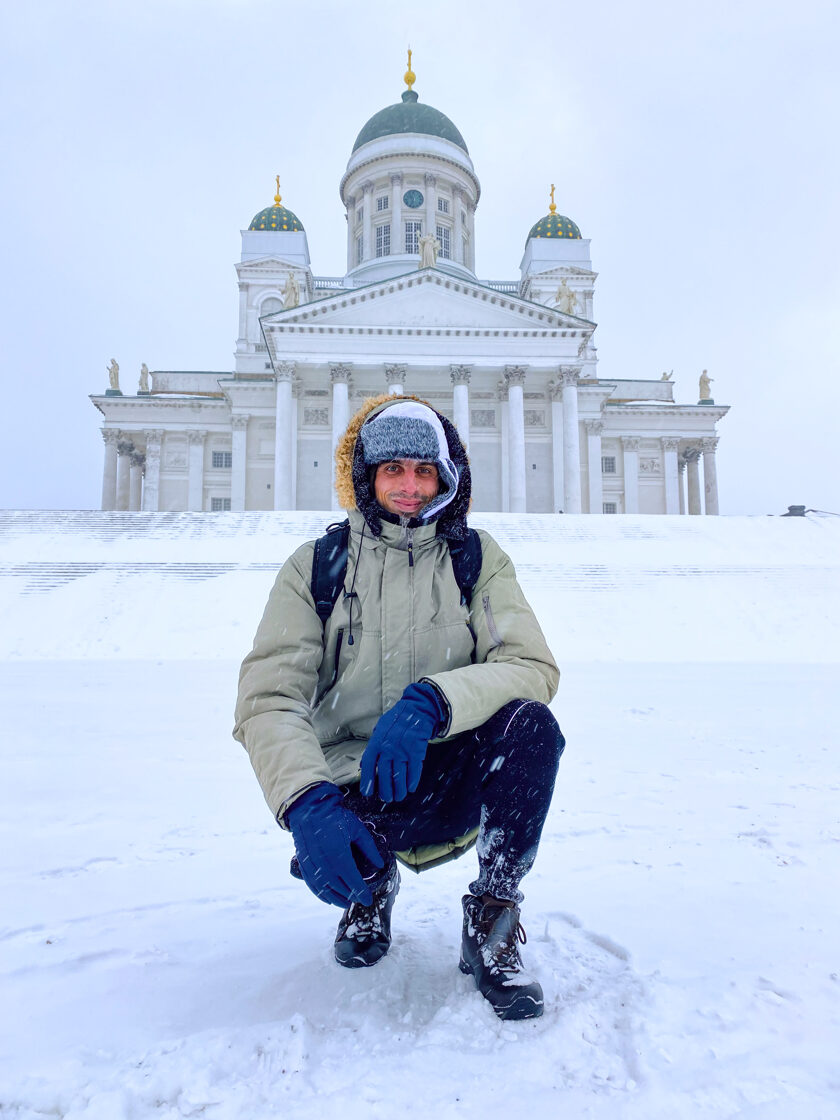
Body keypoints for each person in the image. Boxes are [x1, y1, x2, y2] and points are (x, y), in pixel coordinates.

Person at [234, 395, 565, 1021]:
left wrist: (435, 702)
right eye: (393, 470)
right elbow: (269, 696)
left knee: (532, 726)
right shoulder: (317, 569)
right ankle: (368, 891)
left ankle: (493, 916)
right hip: (357, 788)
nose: (410, 486)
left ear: (447, 475)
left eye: (424, 469)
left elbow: (532, 668)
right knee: (327, 824)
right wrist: (304, 801)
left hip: (451, 769)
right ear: (366, 476)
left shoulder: (476, 561)